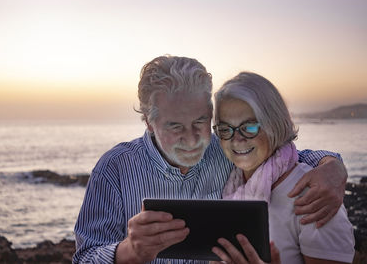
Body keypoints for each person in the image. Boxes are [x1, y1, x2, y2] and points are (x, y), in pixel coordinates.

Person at [73, 55, 348, 264]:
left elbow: (282, 153)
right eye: (175, 127)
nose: (193, 139)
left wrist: (332, 166)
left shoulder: (228, 149)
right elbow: (84, 257)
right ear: (148, 121)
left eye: (201, 121)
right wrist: (128, 251)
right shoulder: (115, 169)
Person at [211, 72, 354, 263]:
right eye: (225, 129)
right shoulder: (226, 183)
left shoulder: (313, 196)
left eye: (249, 127)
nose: (237, 139)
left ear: (274, 123)